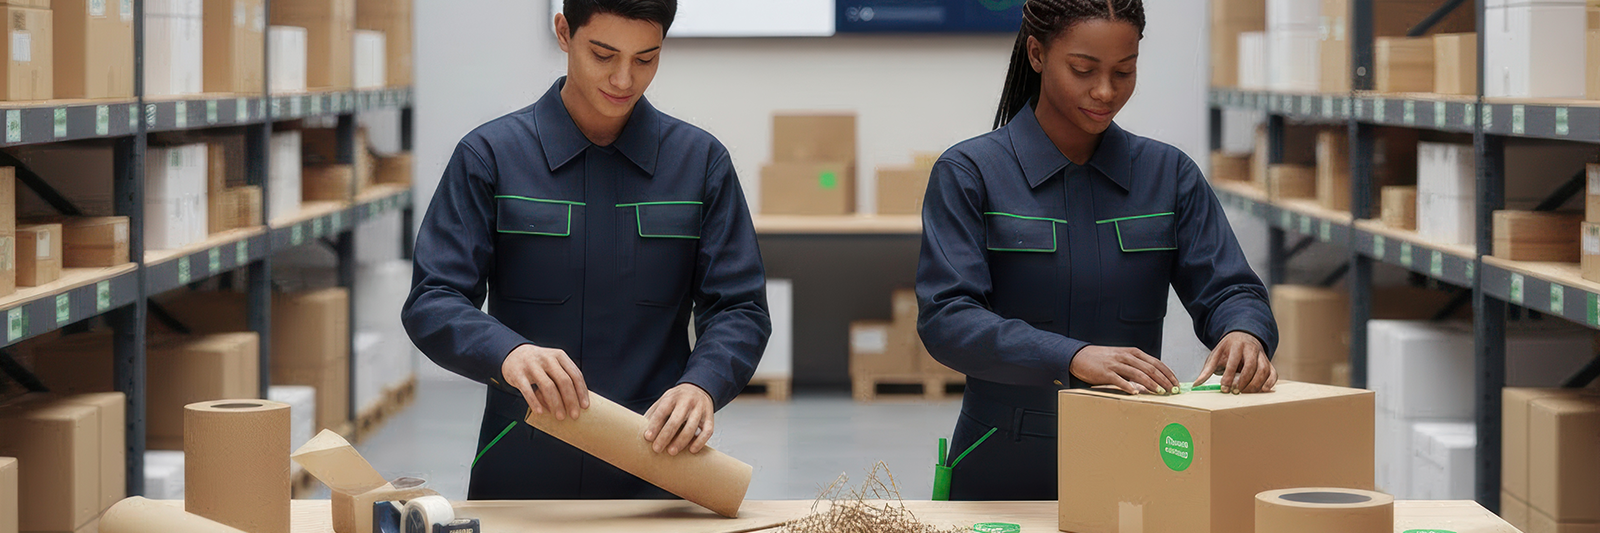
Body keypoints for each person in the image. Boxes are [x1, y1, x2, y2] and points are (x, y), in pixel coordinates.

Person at [402, 0, 770, 500]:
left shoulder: (700, 163)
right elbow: (433, 298)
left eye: (646, 59)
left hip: (656, 467)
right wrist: (508, 352)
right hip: (520, 464)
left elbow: (740, 307)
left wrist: (703, 384)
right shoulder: (490, 157)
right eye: (603, 54)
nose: (624, 79)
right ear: (563, 32)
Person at [916, 0, 1279, 501]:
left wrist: (1244, 331)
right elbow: (947, 319)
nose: (1106, 91)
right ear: (1037, 54)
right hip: (1001, 461)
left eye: (1124, 72)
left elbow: (1231, 287)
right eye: (1083, 70)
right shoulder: (970, 174)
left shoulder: (1168, 175)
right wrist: (1072, 356)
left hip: (1134, 454)